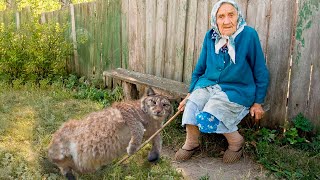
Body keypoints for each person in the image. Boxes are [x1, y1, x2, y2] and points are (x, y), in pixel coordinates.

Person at [174, 0, 269, 163]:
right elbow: (200, 67)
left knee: (213, 112)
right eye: (221, 16)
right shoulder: (210, 36)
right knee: (192, 106)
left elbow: (260, 70)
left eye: (231, 15)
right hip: (208, 85)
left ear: (238, 15)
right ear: (215, 19)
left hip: (237, 90)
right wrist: (190, 94)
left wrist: (258, 102)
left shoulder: (249, 35)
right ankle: (192, 142)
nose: (226, 21)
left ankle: (235, 142)